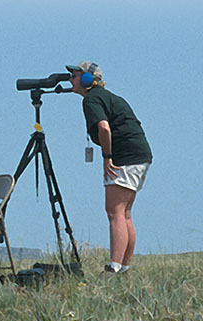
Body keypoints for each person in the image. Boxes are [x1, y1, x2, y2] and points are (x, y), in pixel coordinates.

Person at [68, 61, 152, 275]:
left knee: (114, 212)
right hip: (139, 155)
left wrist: (107, 157)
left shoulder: (92, 99)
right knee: (124, 213)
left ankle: (114, 267)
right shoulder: (107, 97)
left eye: (75, 75)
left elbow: (104, 128)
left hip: (125, 156)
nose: (70, 79)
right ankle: (124, 267)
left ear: (87, 79)